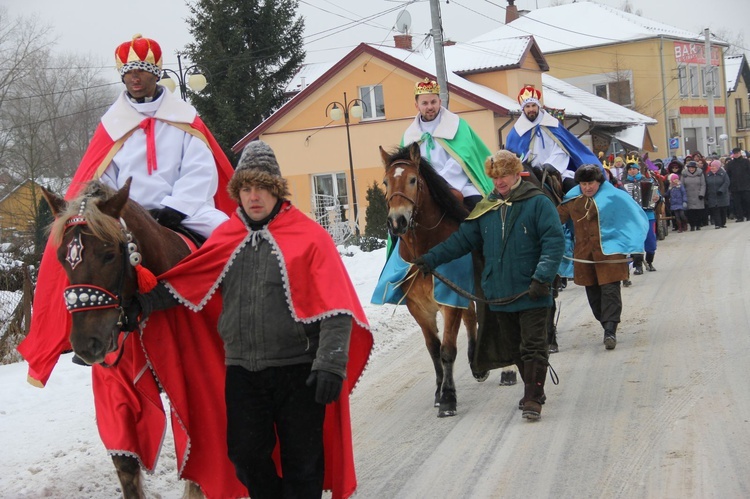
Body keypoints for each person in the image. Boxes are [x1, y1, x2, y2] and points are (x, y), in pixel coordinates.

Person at [16, 34, 244, 498]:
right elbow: (105, 179)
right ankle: (83, 333)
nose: (133, 78)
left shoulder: (186, 121)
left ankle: (241, 329)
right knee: (80, 255)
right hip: (124, 215)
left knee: (230, 243)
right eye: (127, 73)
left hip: (186, 211)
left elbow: (201, 170)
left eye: (140, 71)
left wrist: (173, 212)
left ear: (157, 74)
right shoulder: (112, 124)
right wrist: (120, 211)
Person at [126, 141, 373, 498]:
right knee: (245, 456)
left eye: (261, 188)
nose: (253, 196)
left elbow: (336, 305)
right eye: (245, 188)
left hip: (298, 371)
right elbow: (189, 281)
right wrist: (143, 303)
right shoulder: (227, 237)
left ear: (276, 190)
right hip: (243, 371)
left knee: (302, 465)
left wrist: (331, 363)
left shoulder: (310, 238)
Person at [414, 150, 564, 421]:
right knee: (516, 347)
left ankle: (532, 397)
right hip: (500, 294)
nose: (499, 182)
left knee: (533, 346)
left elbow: (554, 242)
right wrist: (430, 258)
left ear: (517, 173)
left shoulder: (538, 203)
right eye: (494, 177)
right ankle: (534, 388)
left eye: (504, 175)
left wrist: (543, 277)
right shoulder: (487, 208)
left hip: (533, 290)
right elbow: (461, 241)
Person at [557, 165, 649, 350]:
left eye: (590, 183)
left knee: (610, 292)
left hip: (610, 255)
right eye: (583, 184)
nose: (587, 188)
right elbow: (553, 221)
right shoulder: (572, 201)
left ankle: (610, 330)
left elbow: (633, 217)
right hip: (585, 257)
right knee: (594, 296)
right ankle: (605, 322)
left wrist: (634, 245)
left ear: (598, 182)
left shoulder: (615, 197)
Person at [402, 77, 494, 209]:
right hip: (424, 189)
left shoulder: (457, 125)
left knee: (479, 208)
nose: (430, 107)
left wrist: (439, 181)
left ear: (440, 102)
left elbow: (462, 158)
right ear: (416, 105)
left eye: (433, 102)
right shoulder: (409, 136)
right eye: (425, 103)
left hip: (460, 185)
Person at [505, 85, 601, 193]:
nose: (531, 109)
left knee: (574, 190)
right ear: (523, 109)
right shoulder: (517, 131)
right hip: (529, 174)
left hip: (555, 171)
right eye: (527, 106)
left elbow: (562, 149)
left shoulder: (552, 124)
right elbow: (512, 157)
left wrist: (551, 164)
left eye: (533, 105)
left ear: (538, 106)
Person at [622, 161, 660, 274]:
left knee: (650, 240)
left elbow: (657, 196)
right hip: (632, 217)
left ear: (638, 170)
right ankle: (638, 266)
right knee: (636, 241)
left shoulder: (648, 181)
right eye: (629, 169)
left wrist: (657, 198)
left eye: (634, 169)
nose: (632, 171)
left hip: (648, 215)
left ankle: (649, 261)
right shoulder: (624, 184)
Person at [725, 147, 750, 222]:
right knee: (737, 203)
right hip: (735, 187)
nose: (736, 155)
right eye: (734, 153)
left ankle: (749, 215)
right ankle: (740, 217)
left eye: (737, 153)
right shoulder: (730, 164)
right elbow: (728, 175)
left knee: (747, 201)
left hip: (746, 186)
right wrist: (730, 186)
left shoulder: (746, 162)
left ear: (740, 153)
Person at [705, 159, 730, 229]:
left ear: (718, 167)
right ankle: (717, 224)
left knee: (722, 210)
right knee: (715, 210)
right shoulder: (708, 175)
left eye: (714, 166)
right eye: (711, 166)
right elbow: (706, 184)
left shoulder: (723, 174)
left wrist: (721, 190)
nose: (712, 168)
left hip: (722, 195)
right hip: (712, 195)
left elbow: (726, 182)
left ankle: (722, 223)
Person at [682, 160, 707, 231]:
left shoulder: (700, 174)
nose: (691, 169)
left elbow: (703, 184)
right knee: (690, 212)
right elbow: (682, 185)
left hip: (698, 195)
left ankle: (698, 225)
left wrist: (702, 194)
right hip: (688, 195)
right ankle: (692, 225)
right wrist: (684, 195)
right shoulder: (684, 174)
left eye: (693, 167)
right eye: (690, 168)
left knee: (698, 212)